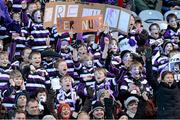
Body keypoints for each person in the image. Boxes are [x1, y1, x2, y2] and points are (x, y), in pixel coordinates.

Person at [146, 47, 180, 119]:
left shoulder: (178, 86)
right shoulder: (158, 87)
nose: (170, 79)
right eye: (167, 77)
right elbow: (149, 76)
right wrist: (148, 60)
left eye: (171, 77)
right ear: (163, 80)